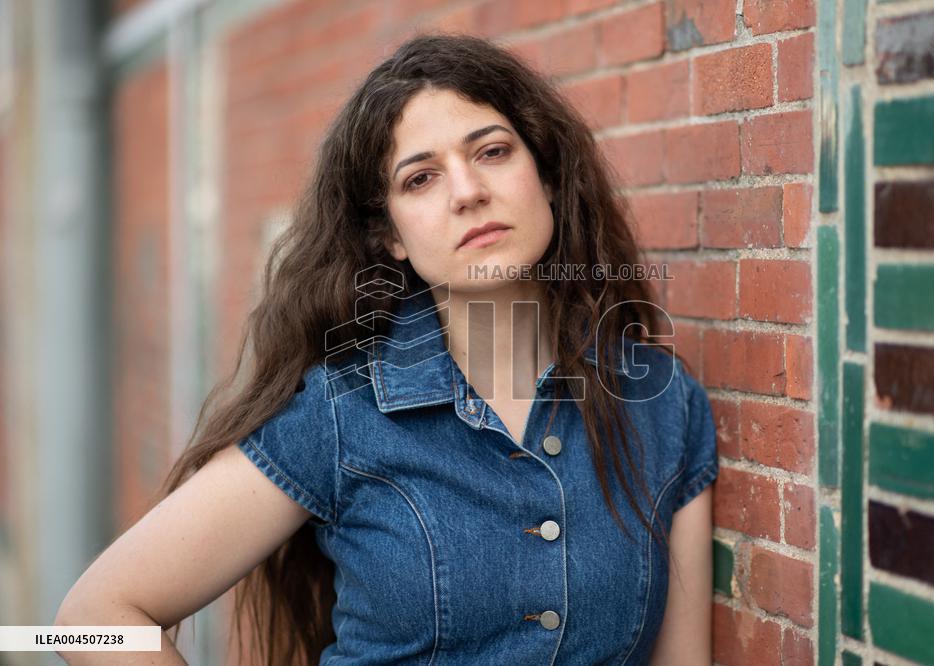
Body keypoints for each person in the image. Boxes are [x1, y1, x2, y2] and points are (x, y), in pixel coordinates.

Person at [55, 32, 717, 665]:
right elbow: (90, 621)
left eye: (491, 152)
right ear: (391, 236)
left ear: (544, 176)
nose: (467, 192)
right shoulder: (341, 414)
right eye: (420, 179)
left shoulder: (660, 403)